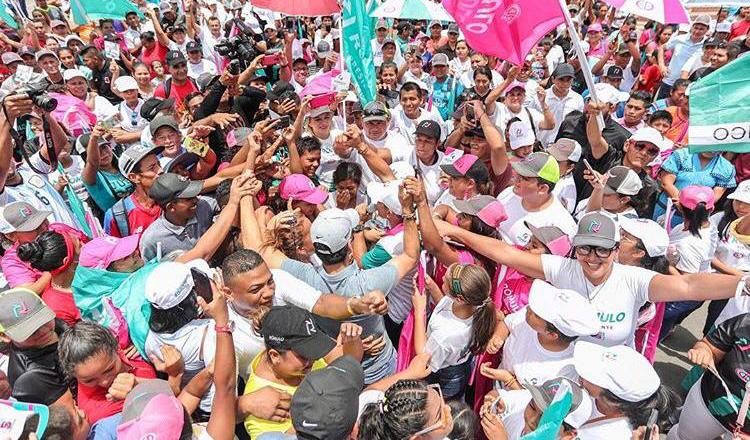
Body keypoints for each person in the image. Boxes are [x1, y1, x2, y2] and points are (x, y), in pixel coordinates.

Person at [436, 211, 750, 347]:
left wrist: (743, 284)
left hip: (606, 382)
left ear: (616, 250)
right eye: (585, 248)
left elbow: (689, 285)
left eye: (602, 250)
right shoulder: (564, 269)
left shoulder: (634, 279)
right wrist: (454, 231)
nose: (593, 257)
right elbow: (505, 253)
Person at [242, 305, 364, 438]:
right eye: (304, 354)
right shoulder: (262, 407)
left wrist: (352, 340)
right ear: (274, 355)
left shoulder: (304, 359)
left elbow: (350, 361)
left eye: (314, 349)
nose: (312, 358)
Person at [480, 279, 600, 389]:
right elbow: (507, 323)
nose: (528, 309)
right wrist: (498, 336)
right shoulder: (526, 317)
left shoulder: (565, 370)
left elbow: (537, 406)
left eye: (536, 315)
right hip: (498, 384)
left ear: (552, 334)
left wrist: (508, 380)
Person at [412, 263, 497, 399]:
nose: (442, 280)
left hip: (444, 375)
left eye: (445, 281)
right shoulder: (476, 304)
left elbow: (423, 356)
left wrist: (419, 310)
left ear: (459, 299)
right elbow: (446, 305)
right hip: (460, 364)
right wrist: (433, 287)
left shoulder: (446, 335)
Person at [57, 321, 158, 424]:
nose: (104, 382)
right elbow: (166, 397)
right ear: (75, 376)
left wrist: (139, 344)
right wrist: (141, 388)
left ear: (117, 349)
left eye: (109, 370)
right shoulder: (101, 414)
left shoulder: (127, 344)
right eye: (89, 380)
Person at [573, 342, 680, 437]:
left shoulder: (618, 435)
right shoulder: (586, 390)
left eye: (591, 376)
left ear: (613, 400)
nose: (580, 374)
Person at [672, 312, 750, 439]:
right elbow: (710, 345)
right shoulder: (746, 322)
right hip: (709, 402)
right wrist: (704, 352)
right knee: (681, 437)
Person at [0, 287, 74, 410]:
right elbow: (75, 419)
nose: (42, 331)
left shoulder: (54, 324)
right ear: (5, 336)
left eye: (42, 320)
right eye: (30, 331)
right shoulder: (29, 380)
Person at [496, 152, 577, 246]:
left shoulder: (560, 226)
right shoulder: (508, 193)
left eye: (524, 178)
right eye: (518, 174)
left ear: (542, 188)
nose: (516, 179)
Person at [17, 230, 85, 326]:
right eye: (80, 246)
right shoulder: (57, 308)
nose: (84, 245)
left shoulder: (92, 271)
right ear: (67, 261)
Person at [358, 379, 454, 440]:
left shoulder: (372, 403)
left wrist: (411, 371)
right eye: (439, 416)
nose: (448, 409)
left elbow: (369, 391)